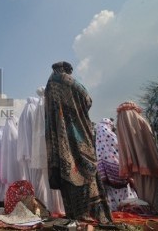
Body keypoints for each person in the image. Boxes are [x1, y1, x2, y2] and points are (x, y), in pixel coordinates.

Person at [45, 61, 112, 223]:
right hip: (77, 132)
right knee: (85, 170)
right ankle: (93, 214)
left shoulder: (48, 85)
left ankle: (75, 213)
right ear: (67, 70)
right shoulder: (68, 80)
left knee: (67, 171)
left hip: (59, 138)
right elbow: (87, 99)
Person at [116, 101, 158, 214]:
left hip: (135, 165)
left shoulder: (121, 123)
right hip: (151, 163)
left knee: (146, 198)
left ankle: (153, 217)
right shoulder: (140, 121)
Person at [95, 118, 138, 211]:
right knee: (125, 192)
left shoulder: (98, 137)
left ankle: (115, 208)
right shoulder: (111, 136)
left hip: (106, 171)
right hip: (118, 167)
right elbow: (121, 150)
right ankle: (127, 207)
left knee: (111, 192)